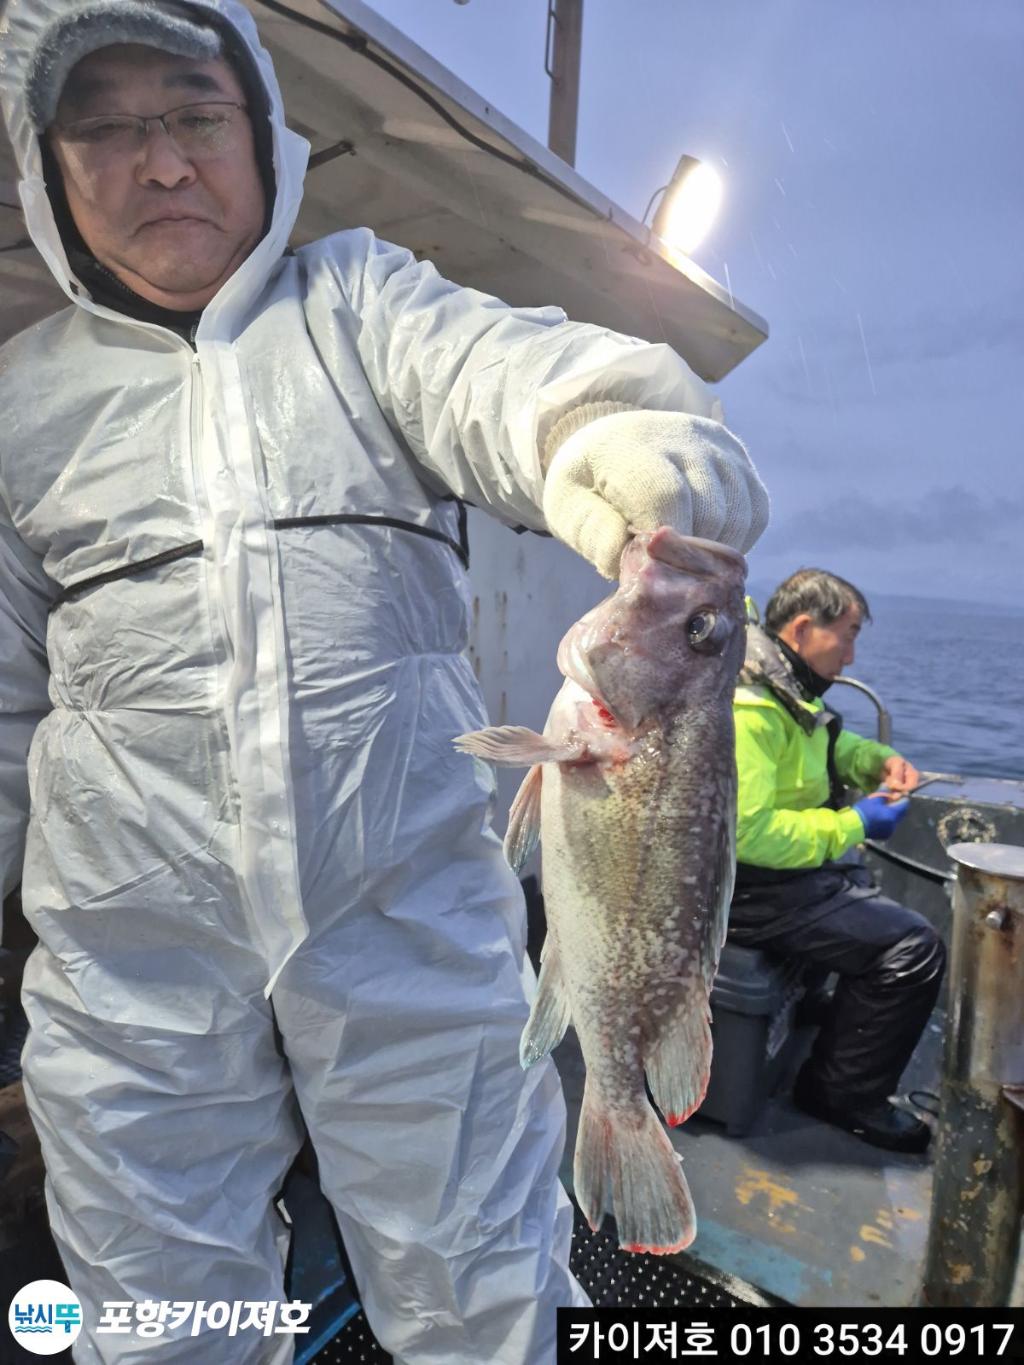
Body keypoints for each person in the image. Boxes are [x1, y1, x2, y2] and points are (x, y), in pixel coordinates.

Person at [0, 2, 769, 1360]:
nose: (161, 161)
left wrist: (631, 446)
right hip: (133, 978)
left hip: (410, 931)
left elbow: (514, 376)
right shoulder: (19, 402)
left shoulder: (359, 303)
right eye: (107, 128)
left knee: (482, 1289)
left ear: (261, 136)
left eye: (193, 114)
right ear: (47, 166)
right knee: (161, 1317)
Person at [728, 568, 945, 1154]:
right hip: (748, 891)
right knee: (913, 950)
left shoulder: (783, 689)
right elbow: (746, 835)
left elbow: (825, 744)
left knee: (854, 880)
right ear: (802, 629)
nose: (849, 659)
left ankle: (832, 1015)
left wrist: (877, 761)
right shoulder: (750, 707)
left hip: (775, 881)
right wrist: (854, 823)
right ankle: (839, 1096)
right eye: (845, 637)